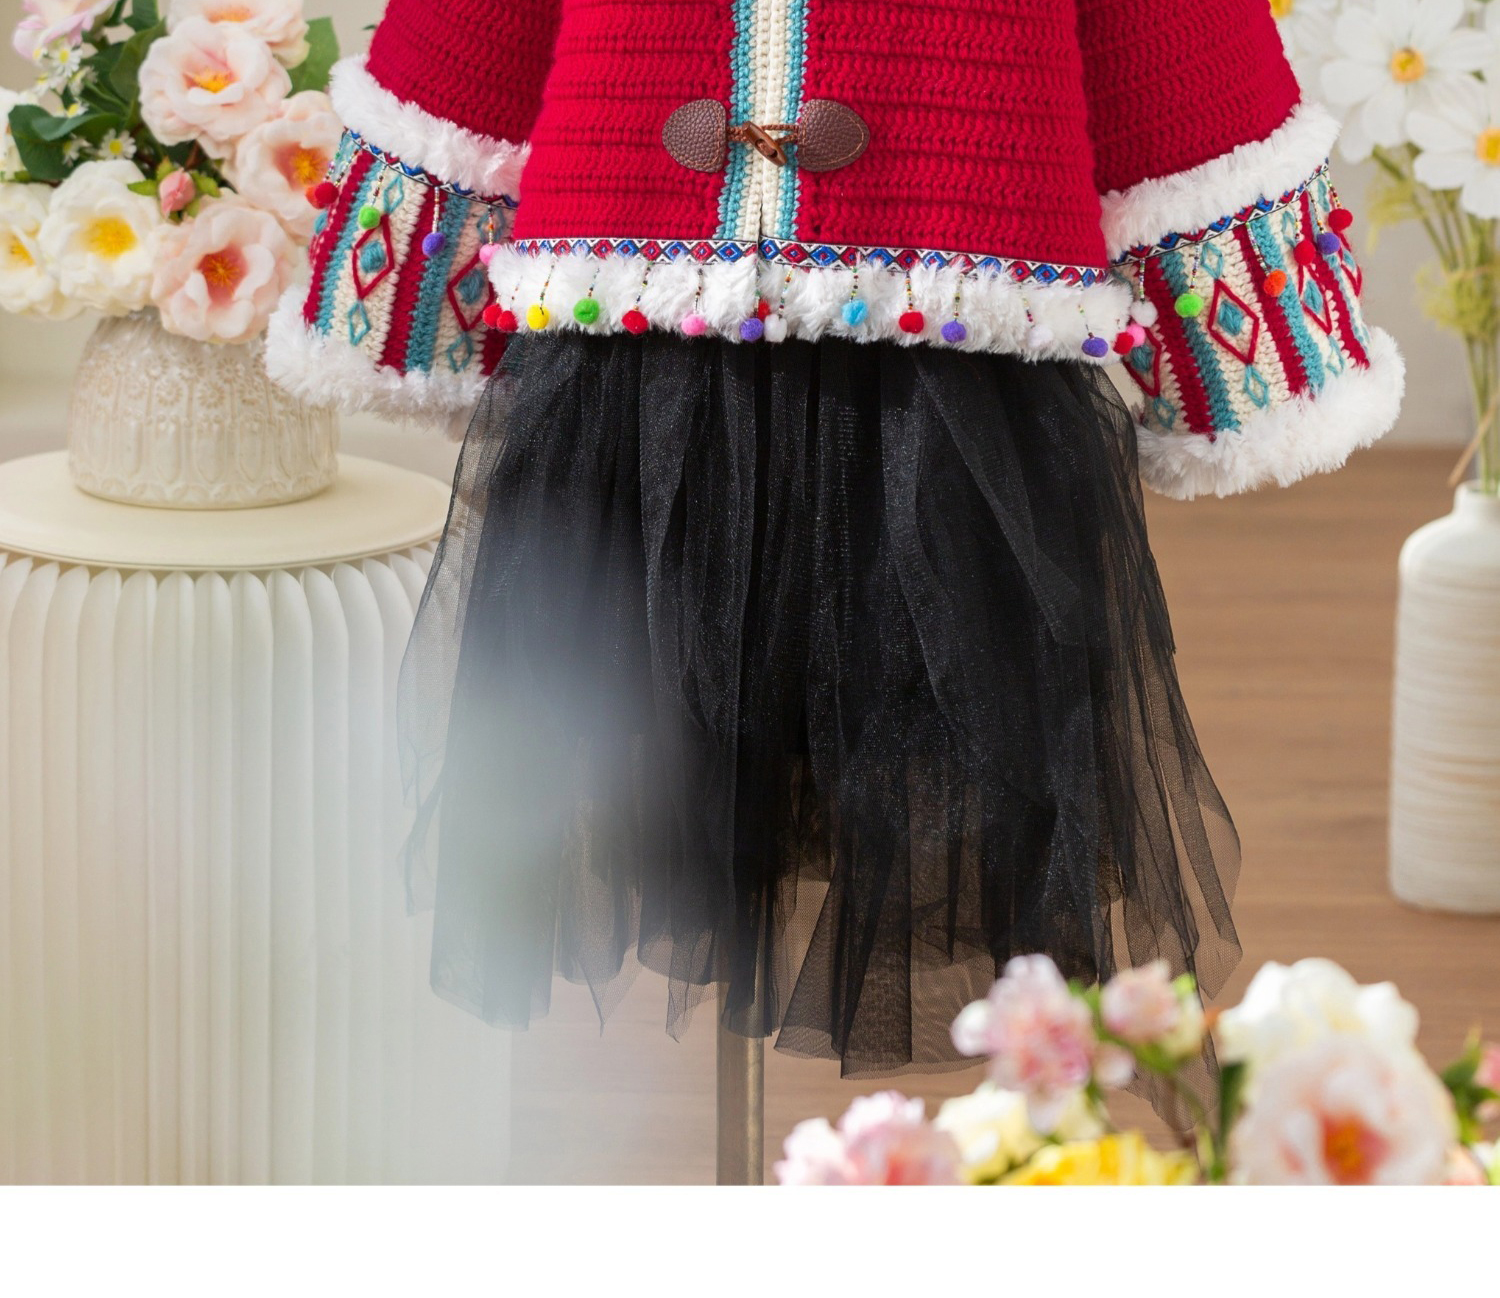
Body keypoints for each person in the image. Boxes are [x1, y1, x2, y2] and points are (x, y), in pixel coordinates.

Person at [269, 0, 1403, 1081]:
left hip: (950, 377)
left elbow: (1177, 56)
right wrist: (405, 289)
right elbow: (473, 41)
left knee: (929, 766)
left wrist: (1252, 350)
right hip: (636, 363)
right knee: (639, 748)